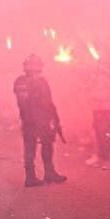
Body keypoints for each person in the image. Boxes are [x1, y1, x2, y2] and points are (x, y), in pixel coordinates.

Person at [13, 54, 67, 187]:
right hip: (36, 119)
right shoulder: (31, 82)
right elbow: (38, 103)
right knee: (38, 146)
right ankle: (38, 175)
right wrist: (51, 119)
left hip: (36, 119)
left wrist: (53, 118)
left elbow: (45, 102)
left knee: (39, 146)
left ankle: (41, 174)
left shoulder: (30, 81)